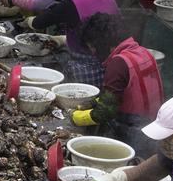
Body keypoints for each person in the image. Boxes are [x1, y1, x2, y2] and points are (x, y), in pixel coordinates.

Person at [69, 12, 164, 152]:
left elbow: (105, 113)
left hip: (135, 134)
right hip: (155, 125)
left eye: (93, 47)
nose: (93, 53)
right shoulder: (143, 52)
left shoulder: (118, 63)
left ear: (101, 43)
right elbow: (118, 94)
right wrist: (91, 103)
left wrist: (75, 117)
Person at [24, 0, 120, 85]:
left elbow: (38, 23)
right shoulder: (111, 1)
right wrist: (61, 40)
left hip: (84, 72)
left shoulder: (72, 4)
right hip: (110, 70)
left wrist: (28, 21)